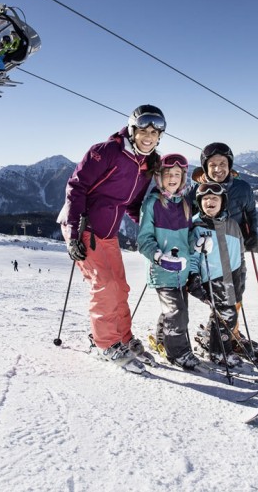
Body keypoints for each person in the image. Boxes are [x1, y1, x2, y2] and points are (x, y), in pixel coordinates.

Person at [58, 104, 165, 374]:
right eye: (144, 129)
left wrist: (152, 230)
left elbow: (133, 205)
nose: (149, 135)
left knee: (120, 286)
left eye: (155, 131)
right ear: (132, 129)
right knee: (104, 285)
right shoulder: (106, 152)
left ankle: (123, 338)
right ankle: (103, 342)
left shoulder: (146, 164)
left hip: (108, 232)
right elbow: (76, 187)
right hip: (84, 226)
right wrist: (73, 233)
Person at [187, 142, 258, 358]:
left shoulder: (242, 188)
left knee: (236, 294)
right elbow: (187, 219)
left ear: (230, 165)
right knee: (219, 297)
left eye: (222, 164)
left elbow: (250, 212)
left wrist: (252, 233)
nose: (218, 169)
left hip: (235, 250)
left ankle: (228, 333)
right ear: (205, 167)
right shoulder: (196, 191)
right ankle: (224, 337)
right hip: (210, 254)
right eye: (212, 165)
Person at [137, 153, 200, 370]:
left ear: (183, 178)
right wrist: (158, 257)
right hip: (162, 270)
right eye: (167, 174)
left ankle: (163, 341)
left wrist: (197, 244)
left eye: (177, 174)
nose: (172, 178)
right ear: (159, 177)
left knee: (176, 311)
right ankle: (178, 353)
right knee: (177, 313)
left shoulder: (184, 203)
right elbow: (143, 239)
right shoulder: (152, 204)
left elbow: (188, 235)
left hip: (181, 271)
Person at [186, 182, 244, 368]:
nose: (210, 201)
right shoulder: (197, 225)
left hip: (232, 276)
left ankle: (212, 343)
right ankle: (220, 352)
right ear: (200, 202)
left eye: (215, 198)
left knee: (225, 314)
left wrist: (242, 276)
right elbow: (192, 255)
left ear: (222, 202)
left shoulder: (233, 225)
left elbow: (240, 254)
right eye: (206, 199)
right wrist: (193, 276)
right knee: (227, 314)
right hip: (211, 277)